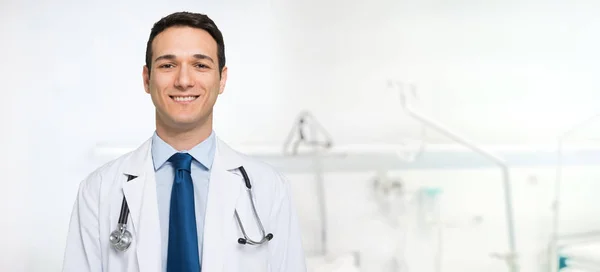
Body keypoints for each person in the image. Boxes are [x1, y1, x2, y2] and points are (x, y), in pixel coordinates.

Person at [62, 11, 307, 272]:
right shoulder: (99, 190)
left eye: (200, 65)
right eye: (168, 65)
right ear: (147, 79)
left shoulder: (269, 188)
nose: (183, 81)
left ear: (221, 79)